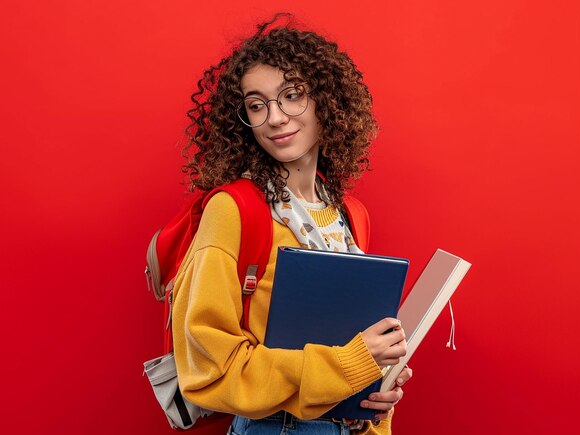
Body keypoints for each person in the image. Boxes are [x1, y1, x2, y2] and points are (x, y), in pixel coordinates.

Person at [172, 14, 413, 435]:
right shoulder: (234, 210)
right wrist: (348, 365)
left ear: (326, 100)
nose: (276, 117)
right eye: (257, 104)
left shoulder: (349, 215)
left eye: (292, 95)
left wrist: (376, 383)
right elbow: (209, 367)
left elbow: (347, 346)